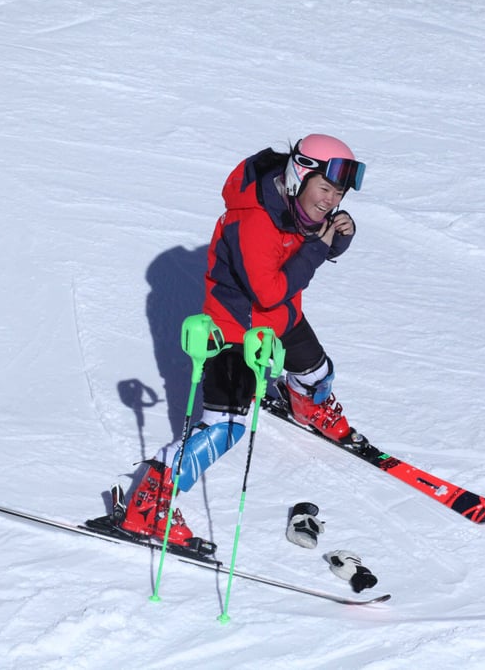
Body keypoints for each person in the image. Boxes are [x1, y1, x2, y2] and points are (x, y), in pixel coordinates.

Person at [115, 134, 366, 546]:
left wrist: (338, 236)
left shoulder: (297, 209)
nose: (330, 199)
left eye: (338, 192)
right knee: (224, 429)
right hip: (234, 329)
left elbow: (303, 257)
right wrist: (320, 246)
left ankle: (306, 407)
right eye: (325, 188)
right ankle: (147, 501)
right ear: (298, 176)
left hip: (280, 319)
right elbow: (267, 291)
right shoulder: (254, 219)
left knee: (319, 373)